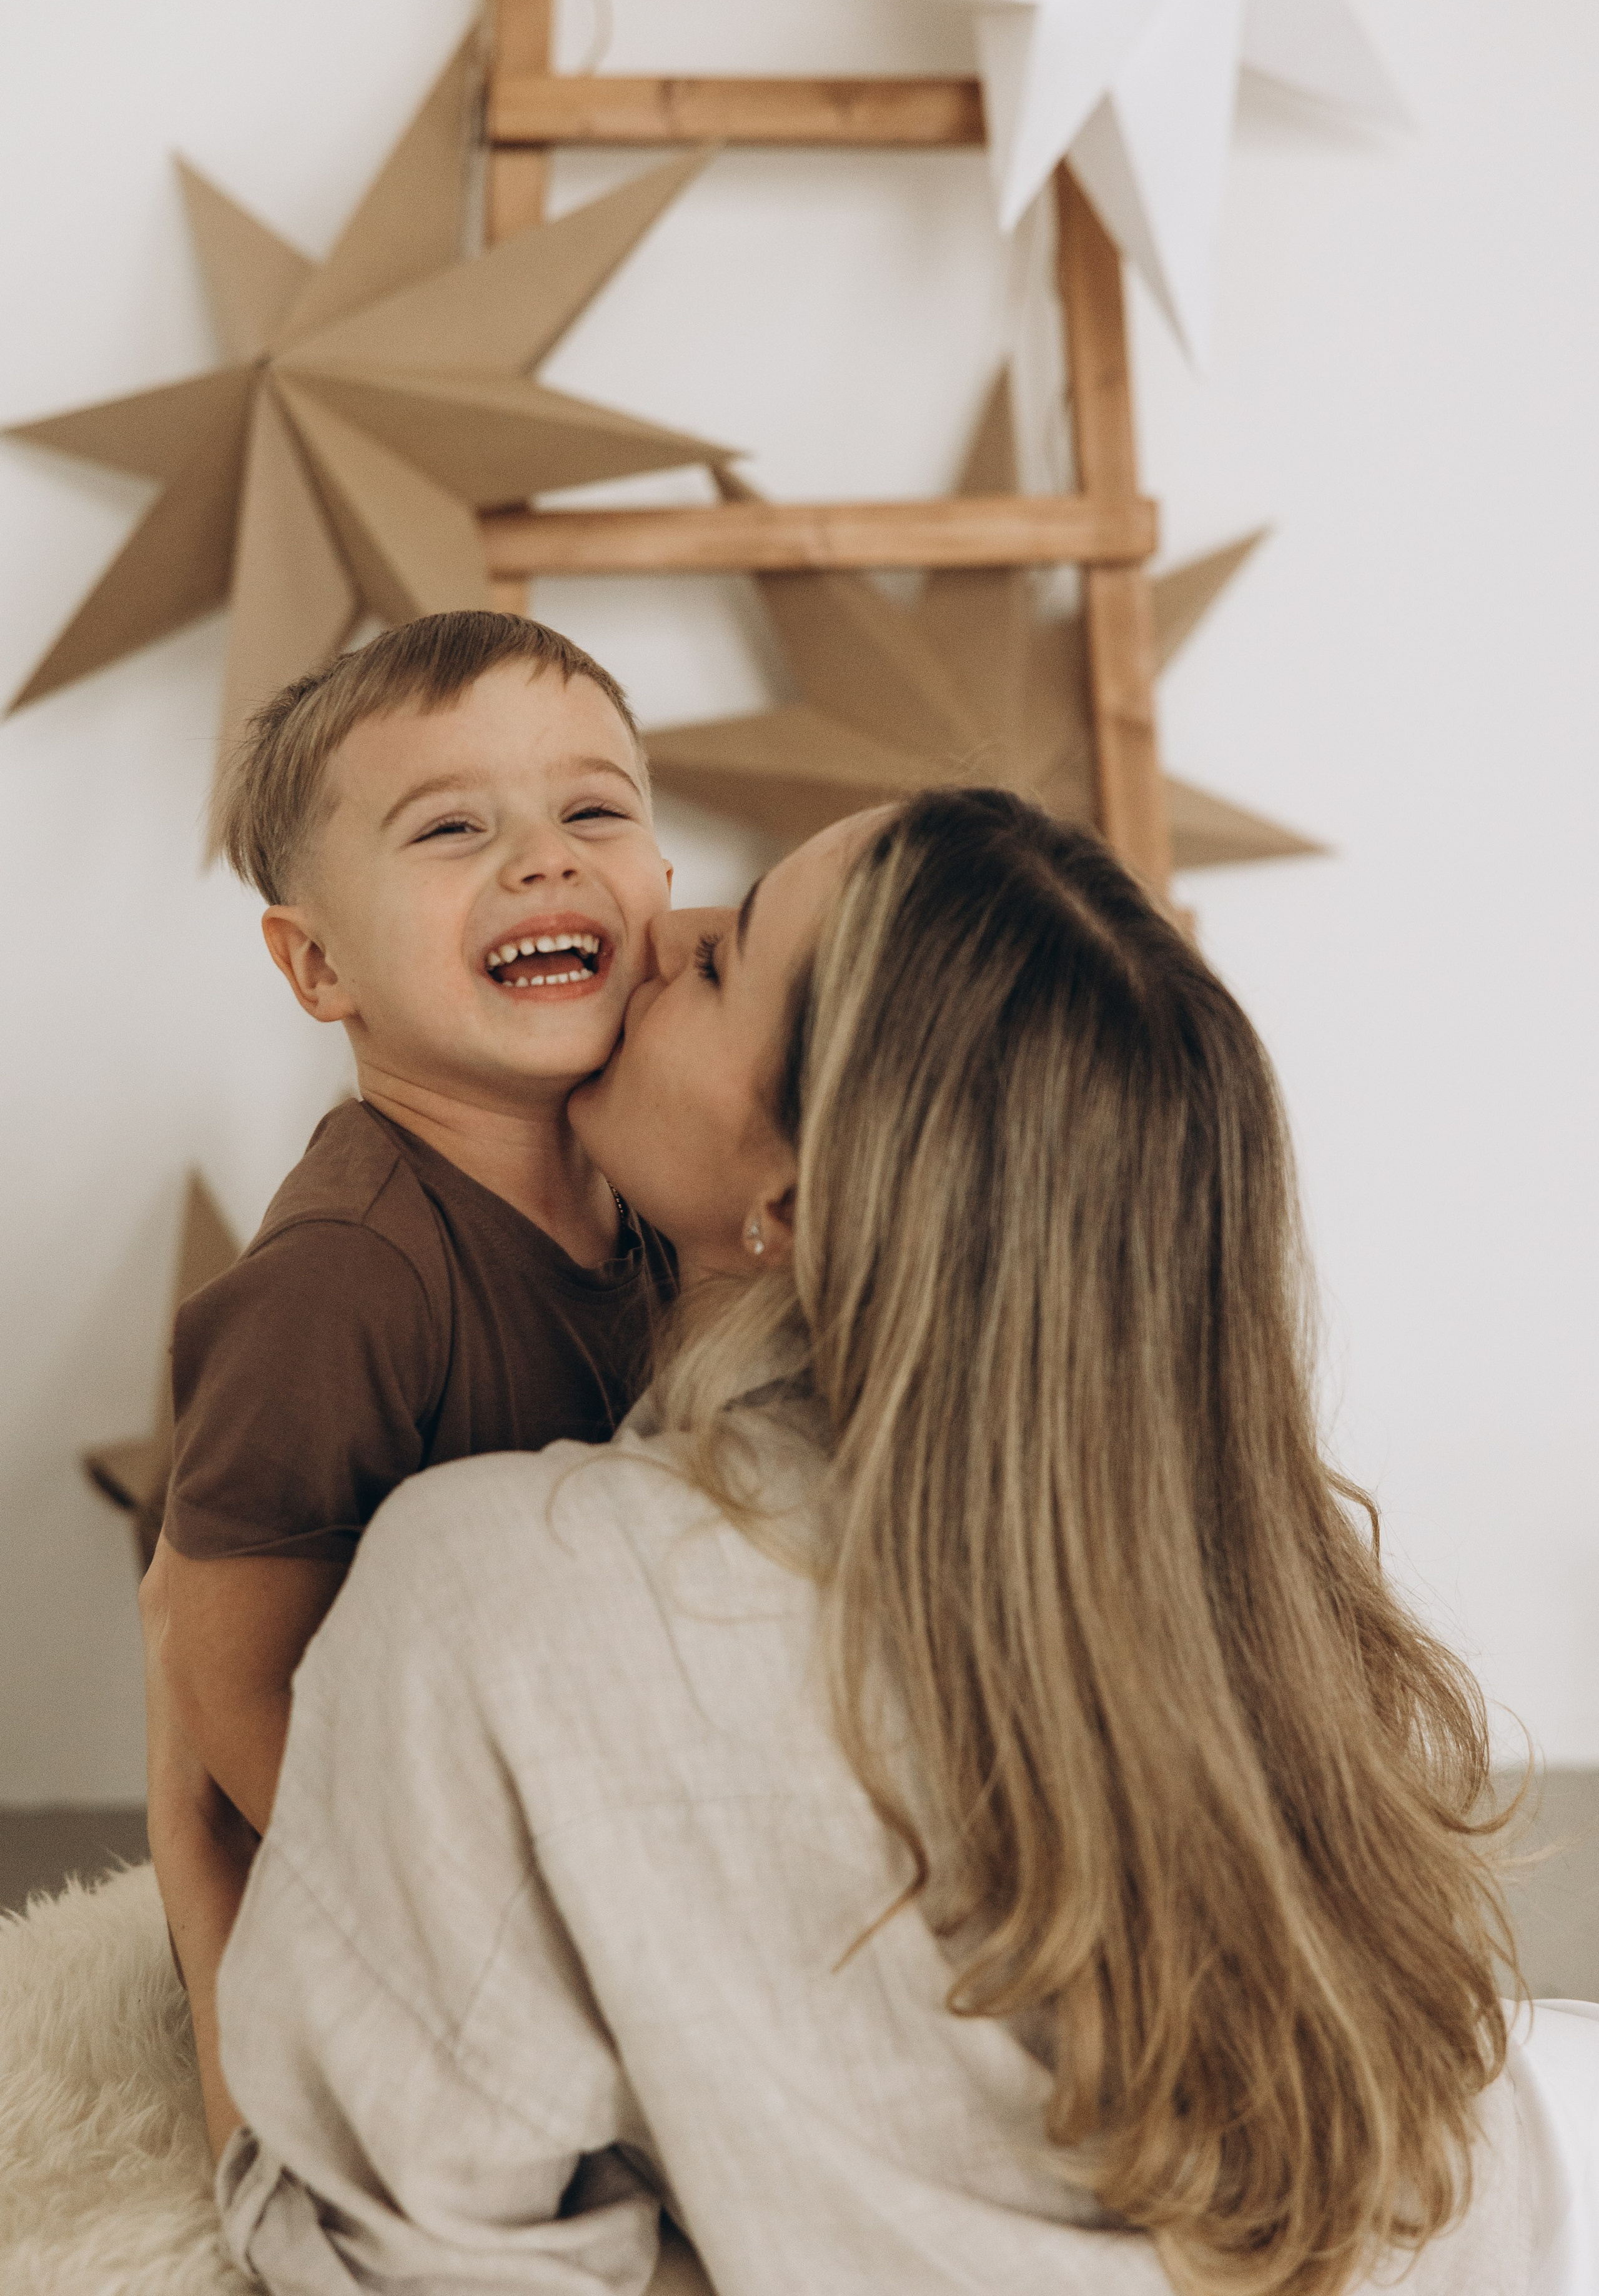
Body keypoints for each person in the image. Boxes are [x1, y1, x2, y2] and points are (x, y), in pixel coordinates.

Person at [150, 790, 1597, 2295]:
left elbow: (364, 2258)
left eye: (724, 964)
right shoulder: (1264, 1610)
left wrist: (201, 1856)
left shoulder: (502, 1591)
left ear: (791, 1192)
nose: (668, 931)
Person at [145, 610, 675, 1842]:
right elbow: (228, 1681)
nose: (545, 860)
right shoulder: (345, 1280)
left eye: (592, 812)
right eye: (451, 828)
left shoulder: (673, 1189)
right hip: (395, 1867)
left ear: (663, 882)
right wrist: (406, 1909)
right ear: (320, 968)